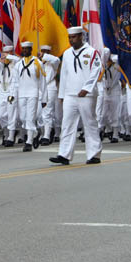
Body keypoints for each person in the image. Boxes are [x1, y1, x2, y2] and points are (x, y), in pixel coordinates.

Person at [50, 26, 102, 165]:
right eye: (69, 38)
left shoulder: (91, 52)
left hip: (86, 95)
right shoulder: (67, 53)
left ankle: (94, 154)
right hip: (70, 94)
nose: (71, 40)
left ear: (80, 36)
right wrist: (62, 95)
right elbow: (64, 75)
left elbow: (96, 70)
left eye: (73, 37)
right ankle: (64, 154)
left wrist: (87, 88)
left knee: (89, 123)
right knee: (67, 124)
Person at [12, 41, 47, 152]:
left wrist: (44, 98)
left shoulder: (37, 63)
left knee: (30, 118)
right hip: (22, 93)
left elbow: (43, 82)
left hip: (33, 93)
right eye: (23, 49)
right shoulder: (18, 64)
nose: (25, 50)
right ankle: (35, 133)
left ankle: (29, 142)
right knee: (22, 118)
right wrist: (12, 95)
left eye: (27, 48)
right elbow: (15, 82)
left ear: (31, 49)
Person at [37, 45, 61, 146]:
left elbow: (57, 60)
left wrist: (44, 56)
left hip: (49, 87)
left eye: (46, 51)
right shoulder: (37, 62)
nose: (44, 53)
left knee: (47, 112)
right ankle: (44, 132)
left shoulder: (53, 63)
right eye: (42, 51)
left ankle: (46, 135)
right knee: (38, 113)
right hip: (39, 89)